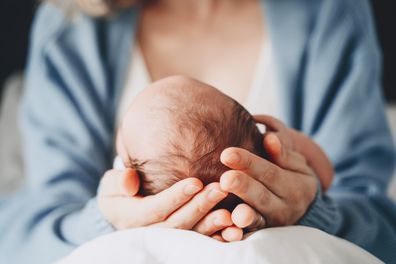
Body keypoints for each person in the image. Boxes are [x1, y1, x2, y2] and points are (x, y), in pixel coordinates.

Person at [0, 0, 395, 263]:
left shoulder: (328, 11)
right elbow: (22, 235)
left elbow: (381, 225)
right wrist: (105, 222)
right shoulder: (73, 26)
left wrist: (311, 209)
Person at [113, 76, 333, 242]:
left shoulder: (126, 187)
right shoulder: (270, 160)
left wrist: (112, 221)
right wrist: (290, 144)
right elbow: (325, 177)